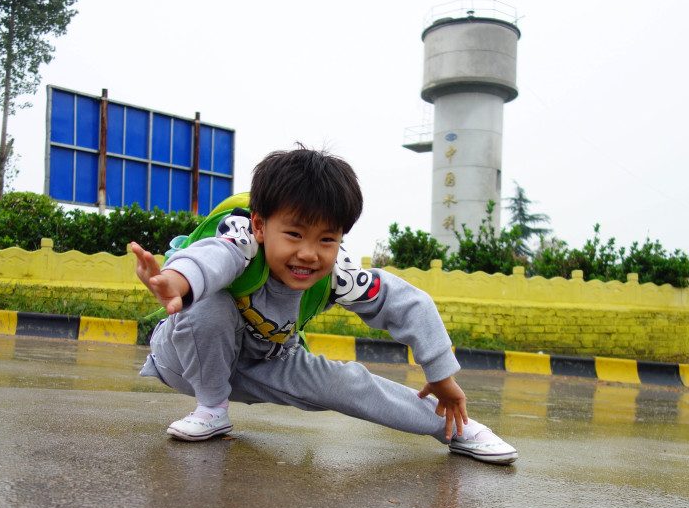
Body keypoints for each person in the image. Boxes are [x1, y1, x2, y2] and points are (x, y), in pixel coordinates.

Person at [131, 147, 518, 465]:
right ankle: (212, 409)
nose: (309, 253)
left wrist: (441, 375)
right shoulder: (243, 238)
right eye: (295, 233)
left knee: (350, 383)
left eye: (326, 239)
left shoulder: (338, 272)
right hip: (186, 358)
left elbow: (407, 302)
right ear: (262, 226)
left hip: (268, 360)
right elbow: (213, 256)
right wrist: (177, 280)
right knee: (209, 303)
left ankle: (457, 429)